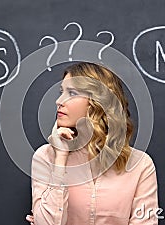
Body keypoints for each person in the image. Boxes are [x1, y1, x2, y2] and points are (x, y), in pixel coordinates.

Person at [26, 62, 158, 225]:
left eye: (72, 93)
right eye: (61, 92)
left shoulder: (140, 165)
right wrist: (60, 157)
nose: (59, 101)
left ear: (98, 102)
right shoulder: (46, 158)